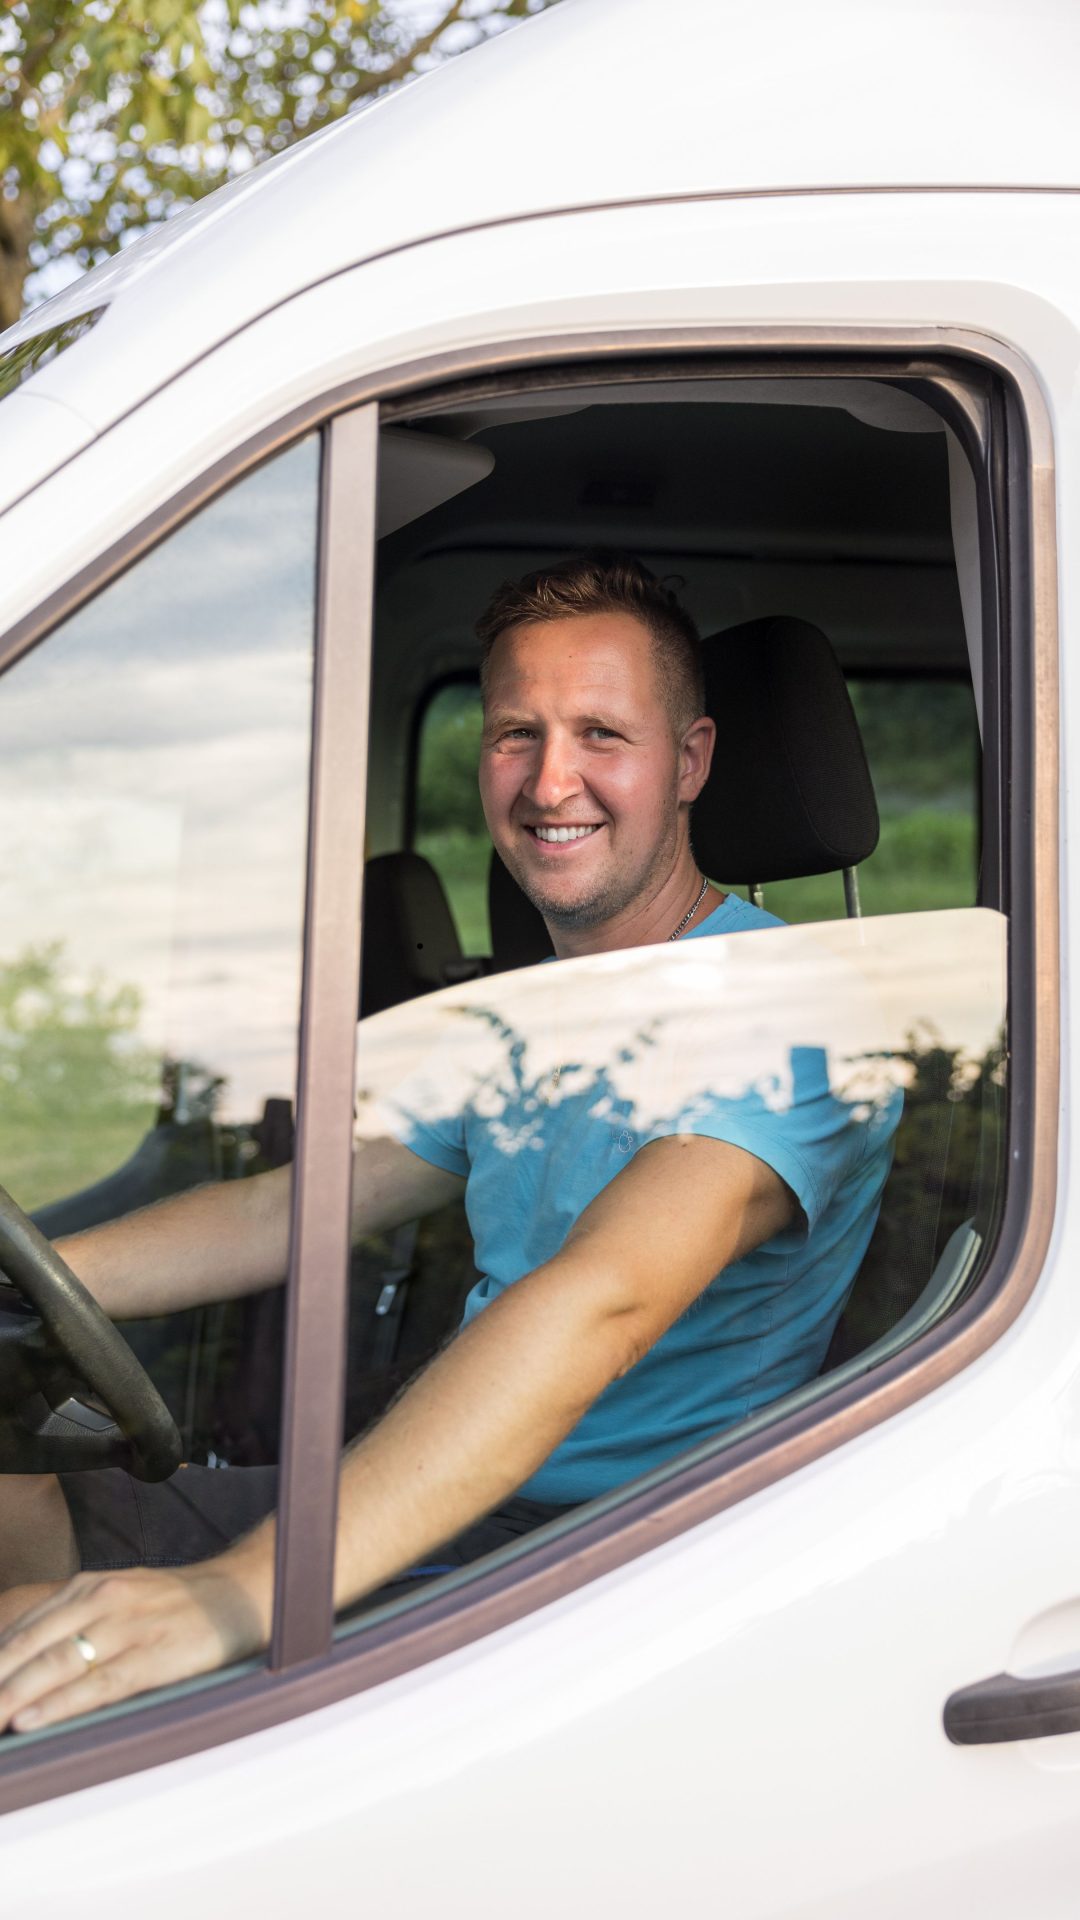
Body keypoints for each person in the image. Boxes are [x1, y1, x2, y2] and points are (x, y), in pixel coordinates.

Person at [0, 553, 896, 1733]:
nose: (549, 780)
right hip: (453, 1500)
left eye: (601, 735)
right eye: (515, 734)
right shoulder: (539, 1011)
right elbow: (291, 1209)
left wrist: (234, 1596)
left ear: (692, 762)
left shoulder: (787, 1015)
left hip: (591, 1568)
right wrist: (37, 1289)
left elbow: (605, 1299)